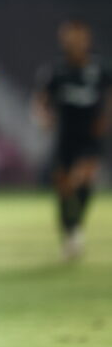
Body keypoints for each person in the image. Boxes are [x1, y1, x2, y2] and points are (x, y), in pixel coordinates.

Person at [33, 19, 111, 260]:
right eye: (68, 37)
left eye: (77, 36)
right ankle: (71, 230)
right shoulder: (56, 70)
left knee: (85, 177)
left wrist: (106, 119)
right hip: (65, 135)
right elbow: (40, 100)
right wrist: (44, 117)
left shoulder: (100, 68)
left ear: (86, 39)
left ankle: (75, 229)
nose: (73, 42)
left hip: (90, 134)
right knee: (65, 187)